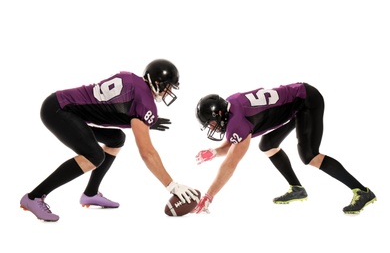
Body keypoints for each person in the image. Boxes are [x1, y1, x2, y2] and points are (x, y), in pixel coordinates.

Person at [20, 59, 198, 222]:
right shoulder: (144, 102)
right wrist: (171, 185)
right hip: (58, 111)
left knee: (116, 138)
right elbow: (147, 152)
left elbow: (113, 106)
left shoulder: (133, 81)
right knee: (94, 156)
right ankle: (34, 197)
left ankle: (90, 193)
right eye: (168, 86)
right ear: (157, 82)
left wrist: (146, 120)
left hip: (65, 109)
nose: (169, 91)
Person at [191, 82, 376, 214]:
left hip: (306, 101)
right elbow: (232, 144)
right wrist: (215, 151)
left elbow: (231, 163)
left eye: (212, 123)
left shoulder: (237, 123)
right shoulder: (232, 106)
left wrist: (209, 195)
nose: (212, 127)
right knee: (268, 145)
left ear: (221, 113)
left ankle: (362, 191)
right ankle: (297, 189)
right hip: (293, 105)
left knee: (309, 156)